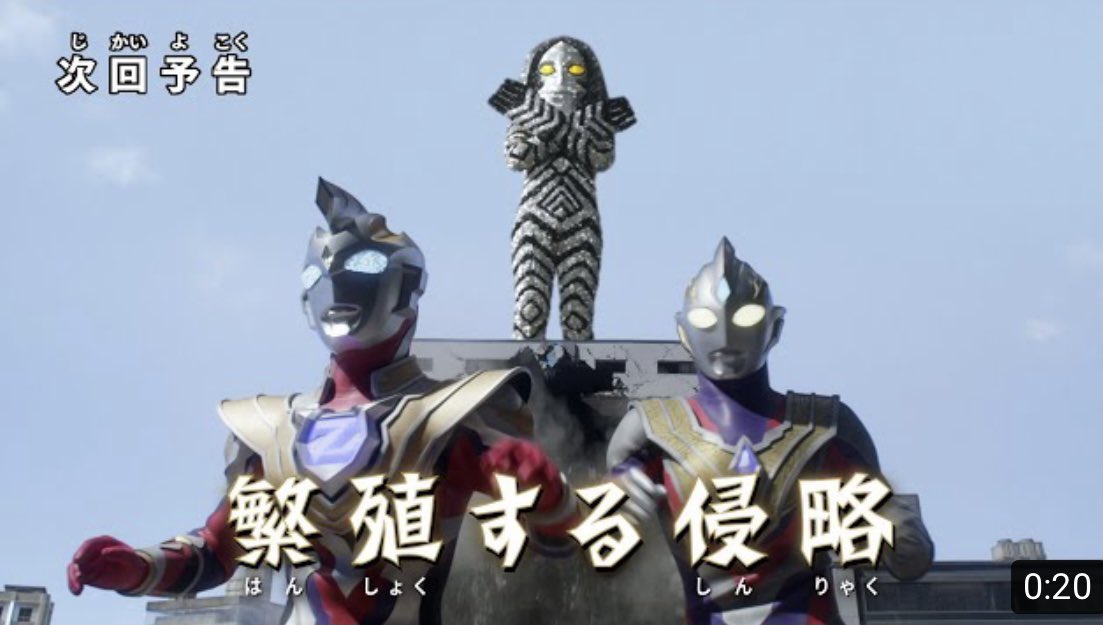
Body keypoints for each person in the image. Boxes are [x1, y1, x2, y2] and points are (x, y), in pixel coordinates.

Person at [68, 178, 577, 625]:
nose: (335, 284)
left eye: (364, 265)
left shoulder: (454, 415)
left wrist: (547, 493)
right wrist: (135, 567)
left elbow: (565, 535)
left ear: (406, 287)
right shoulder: (269, 429)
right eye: (317, 276)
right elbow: (215, 552)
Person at [606, 238, 934, 625]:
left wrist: (892, 525)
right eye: (707, 322)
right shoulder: (650, 432)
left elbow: (907, 552)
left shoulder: (825, 428)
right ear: (684, 332)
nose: (725, 335)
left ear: (774, 326)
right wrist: (623, 489)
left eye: (745, 318)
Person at [489, 35, 636, 341]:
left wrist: (547, 124)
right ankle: (527, 365)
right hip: (534, 220)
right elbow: (517, 157)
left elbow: (602, 157)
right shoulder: (591, 121)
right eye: (548, 69)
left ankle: (578, 368)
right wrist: (563, 127)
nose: (562, 78)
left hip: (581, 219)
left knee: (578, 313)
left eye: (575, 70)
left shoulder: (592, 121)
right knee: (529, 306)